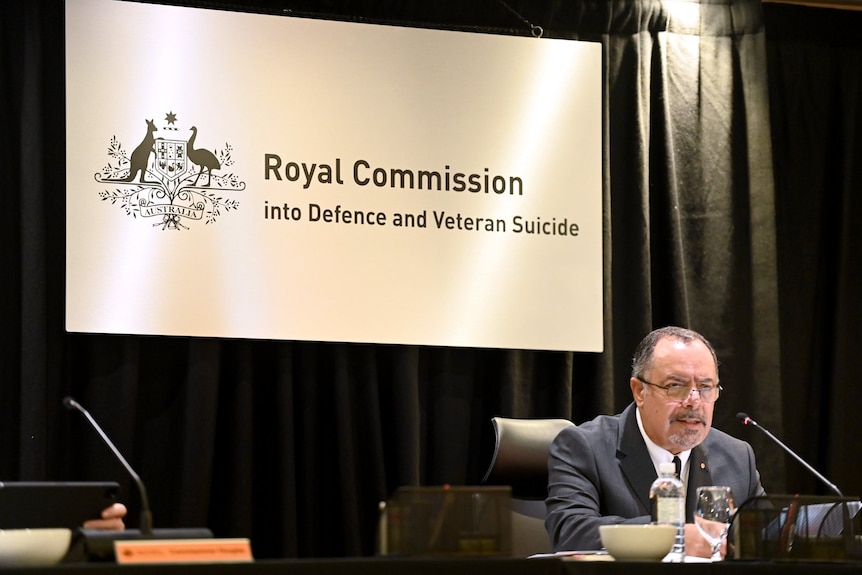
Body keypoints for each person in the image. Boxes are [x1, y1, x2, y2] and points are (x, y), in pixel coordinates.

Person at [546, 326, 766, 558]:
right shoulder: (585, 446)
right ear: (639, 391)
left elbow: (766, 536)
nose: (694, 401)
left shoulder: (737, 456)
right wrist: (673, 537)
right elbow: (570, 532)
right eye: (675, 386)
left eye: (705, 388)